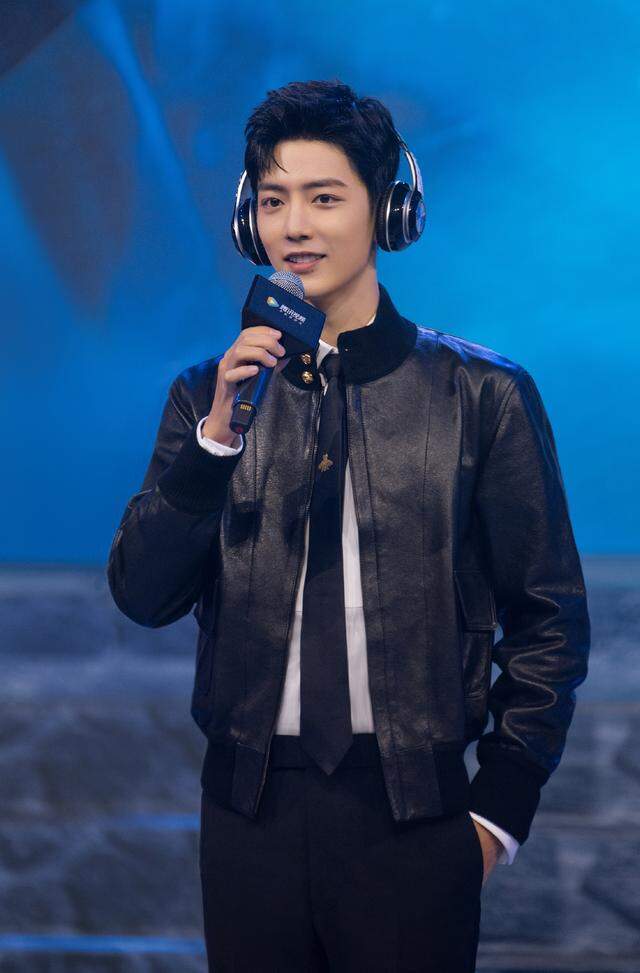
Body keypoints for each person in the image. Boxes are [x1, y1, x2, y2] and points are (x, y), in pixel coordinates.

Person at [107, 79, 591, 972]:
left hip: (414, 819)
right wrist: (216, 441)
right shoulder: (206, 395)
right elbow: (142, 594)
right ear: (248, 219)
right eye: (274, 200)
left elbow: (549, 622)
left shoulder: (482, 396)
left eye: (324, 198)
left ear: (389, 211)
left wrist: (497, 814)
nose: (295, 226)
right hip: (249, 817)